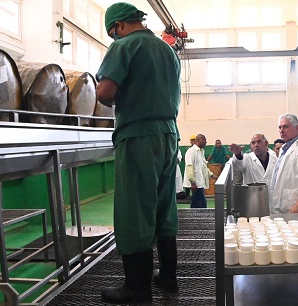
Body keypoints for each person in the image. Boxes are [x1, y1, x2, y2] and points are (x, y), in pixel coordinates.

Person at [95, 2, 181, 303]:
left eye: (112, 33)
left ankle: (137, 287)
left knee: (134, 209)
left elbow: (105, 92)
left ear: (117, 26)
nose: (113, 38)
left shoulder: (125, 46)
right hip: (169, 135)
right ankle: (168, 277)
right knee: (163, 205)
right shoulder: (168, 50)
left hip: (138, 135)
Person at [184, 134, 217, 208]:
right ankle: (197, 218)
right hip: (196, 183)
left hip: (200, 182)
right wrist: (192, 182)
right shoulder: (191, 151)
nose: (206, 142)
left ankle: (195, 217)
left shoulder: (201, 152)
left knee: (198, 203)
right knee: (201, 204)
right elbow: (189, 167)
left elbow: (204, 166)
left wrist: (211, 174)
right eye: (204, 140)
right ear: (198, 140)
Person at [182, 134, 197, 199]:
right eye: (192, 140)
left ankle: (193, 195)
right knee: (188, 182)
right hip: (189, 167)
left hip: (195, 168)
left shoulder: (198, 149)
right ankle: (187, 195)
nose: (193, 142)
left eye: (194, 140)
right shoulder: (188, 149)